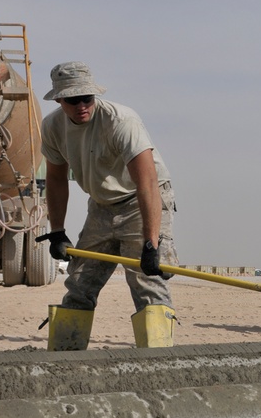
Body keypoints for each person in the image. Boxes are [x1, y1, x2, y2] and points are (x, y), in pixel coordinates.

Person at [36, 61, 179, 350]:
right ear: (59, 99)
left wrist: (151, 243)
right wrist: (57, 230)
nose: (81, 105)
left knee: (147, 282)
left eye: (87, 98)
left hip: (141, 202)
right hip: (101, 205)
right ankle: (63, 358)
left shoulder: (121, 121)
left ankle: (159, 361)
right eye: (73, 100)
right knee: (79, 283)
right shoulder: (52, 126)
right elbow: (55, 178)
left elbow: (147, 183)